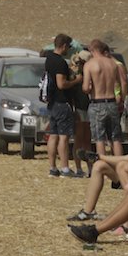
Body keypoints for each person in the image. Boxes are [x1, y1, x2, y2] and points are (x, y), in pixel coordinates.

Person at [83, 39, 127, 160]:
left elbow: (86, 88)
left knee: (99, 139)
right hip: (112, 102)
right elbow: (122, 83)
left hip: (97, 102)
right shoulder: (113, 64)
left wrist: (89, 87)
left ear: (92, 49)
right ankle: (120, 165)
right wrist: (122, 99)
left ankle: (103, 165)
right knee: (116, 138)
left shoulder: (90, 64)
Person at [44, 35, 81, 177]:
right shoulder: (60, 62)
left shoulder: (49, 59)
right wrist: (76, 81)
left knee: (53, 136)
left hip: (52, 103)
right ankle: (65, 167)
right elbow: (61, 84)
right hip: (61, 102)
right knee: (63, 137)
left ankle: (53, 167)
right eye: (69, 47)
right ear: (64, 45)